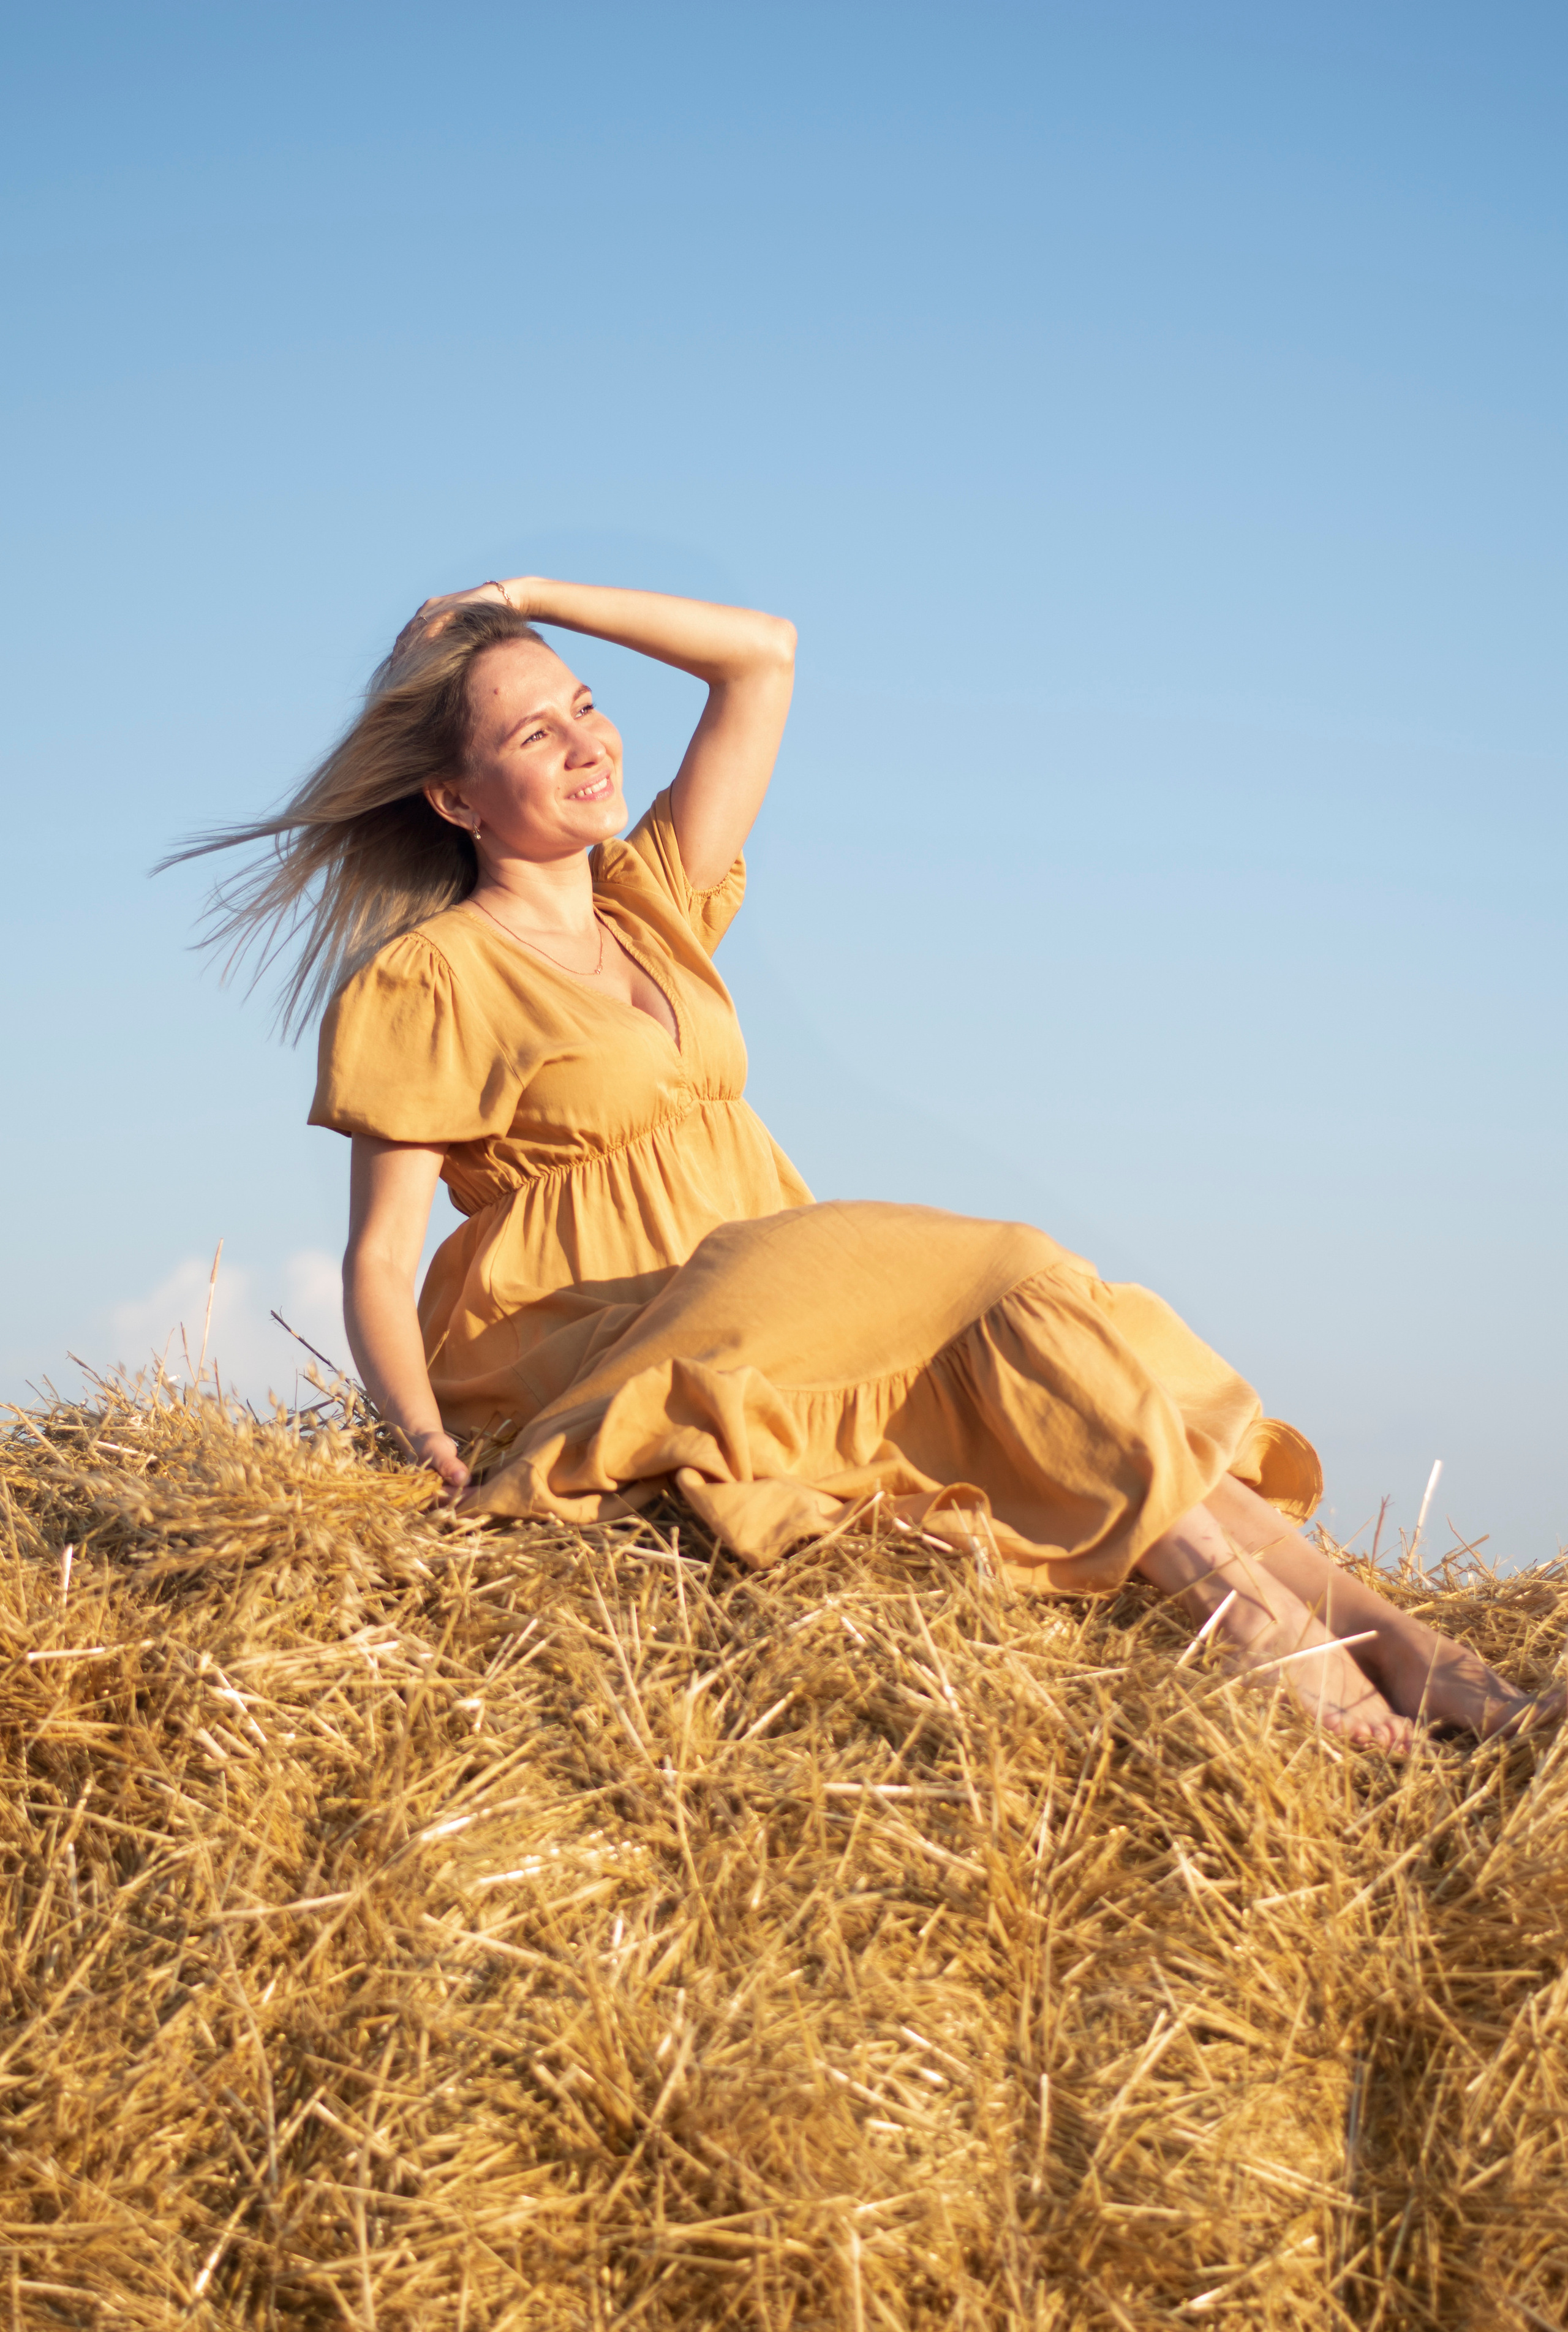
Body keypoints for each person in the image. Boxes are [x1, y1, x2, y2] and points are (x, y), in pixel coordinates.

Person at [183, 576, 1559, 1754]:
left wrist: (524, 597)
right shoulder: (426, 977)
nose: (585, 742)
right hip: (588, 1329)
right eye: (531, 733)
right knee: (1007, 1272)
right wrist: (421, 1444)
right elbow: (378, 1253)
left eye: (585, 704)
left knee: (1057, 1340)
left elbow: (760, 655)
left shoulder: (654, 901)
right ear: (454, 795)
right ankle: (1257, 1625)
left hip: (777, 1283)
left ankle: (1406, 1648)